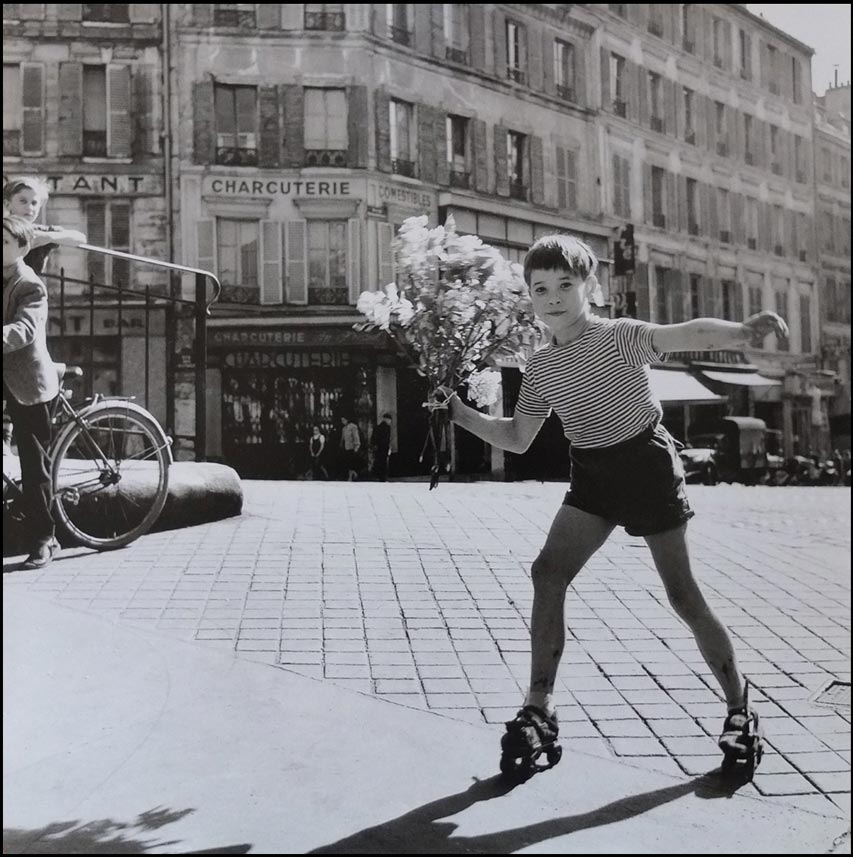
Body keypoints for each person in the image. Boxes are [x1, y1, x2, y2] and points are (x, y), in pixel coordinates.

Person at [433, 234, 788, 770]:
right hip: (593, 473)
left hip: (645, 464)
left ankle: (740, 707)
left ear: (589, 287)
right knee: (547, 573)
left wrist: (741, 331)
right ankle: (538, 709)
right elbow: (519, 437)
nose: (552, 297)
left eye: (565, 285)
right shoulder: (541, 367)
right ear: (530, 296)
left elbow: (683, 334)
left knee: (683, 597)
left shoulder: (619, 336)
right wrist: (461, 416)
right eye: (540, 288)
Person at [3, 215, 61, 569]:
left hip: (27, 384)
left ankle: (45, 538)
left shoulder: (29, 284)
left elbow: (24, 329)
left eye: (4, 243)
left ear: (23, 247)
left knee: (33, 462)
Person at [3, 177, 87, 275]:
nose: (29, 207)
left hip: (28, 287)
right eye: (23, 201)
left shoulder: (39, 231)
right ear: (7, 204)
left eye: (34, 203)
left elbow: (80, 238)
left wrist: (48, 237)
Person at [371, 413, 393, 481]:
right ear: (387, 419)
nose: (390, 422)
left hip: (378, 447)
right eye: (389, 420)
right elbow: (387, 439)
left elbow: (373, 438)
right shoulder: (387, 427)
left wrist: (375, 445)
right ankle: (383, 477)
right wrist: (389, 446)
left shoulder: (377, 427)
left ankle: (379, 476)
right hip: (384, 447)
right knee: (384, 462)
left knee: (379, 461)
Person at [339, 416, 361, 482]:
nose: (342, 422)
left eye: (343, 420)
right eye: (341, 420)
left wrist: (357, 446)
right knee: (348, 462)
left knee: (351, 463)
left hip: (352, 447)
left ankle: (350, 477)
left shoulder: (353, 426)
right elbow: (343, 438)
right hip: (346, 447)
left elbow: (356, 436)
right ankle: (353, 474)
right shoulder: (344, 428)